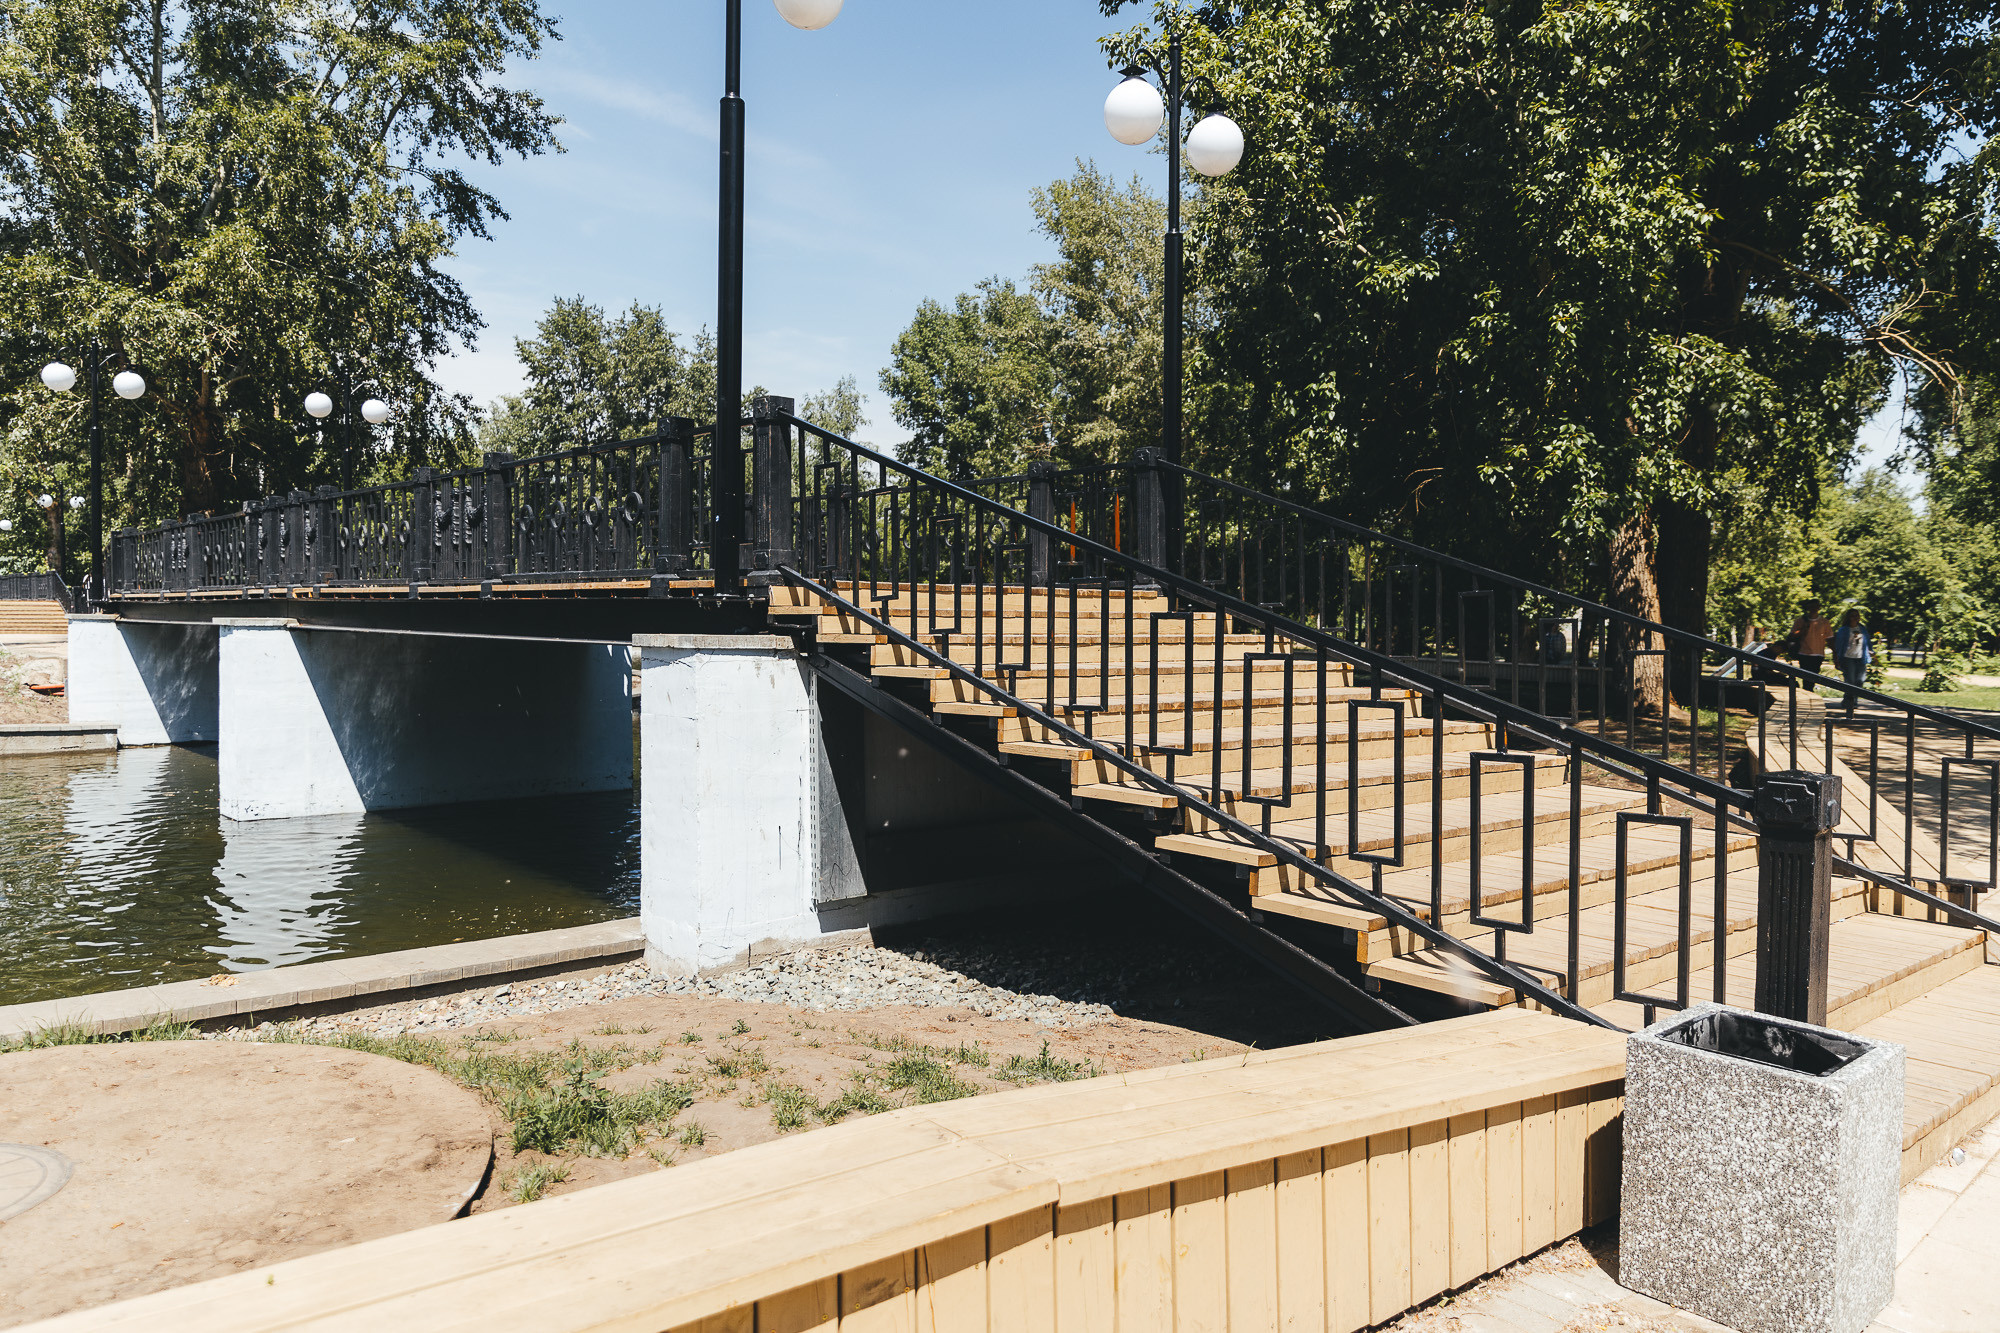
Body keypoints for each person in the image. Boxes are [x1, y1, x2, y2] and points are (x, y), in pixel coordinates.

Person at [1832, 609, 1872, 714]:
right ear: (1848, 617)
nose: (1855, 618)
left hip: (1861, 657)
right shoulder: (1843, 630)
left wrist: (1870, 651)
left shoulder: (1862, 628)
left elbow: (1867, 641)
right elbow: (1838, 645)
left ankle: (1849, 699)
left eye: (1857, 616)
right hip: (1847, 657)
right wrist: (1837, 658)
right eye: (1852, 616)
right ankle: (1851, 702)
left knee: (1860, 680)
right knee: (1850, 681)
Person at [1790, 600, 1834, 690]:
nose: (1813, 609)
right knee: (1805, 676)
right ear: (1808, 608)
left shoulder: (1824, 622)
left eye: (1815, 607)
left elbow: (1830, 638)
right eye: (1811, 607)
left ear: (1819, 608)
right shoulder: (1800, 620)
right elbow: (1792, 635)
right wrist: (1803, 629)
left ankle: (1809, 691)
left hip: (1818, 654)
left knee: (1813, 676)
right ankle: (1807, 692)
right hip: (1804, 653)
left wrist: (1835, 653)